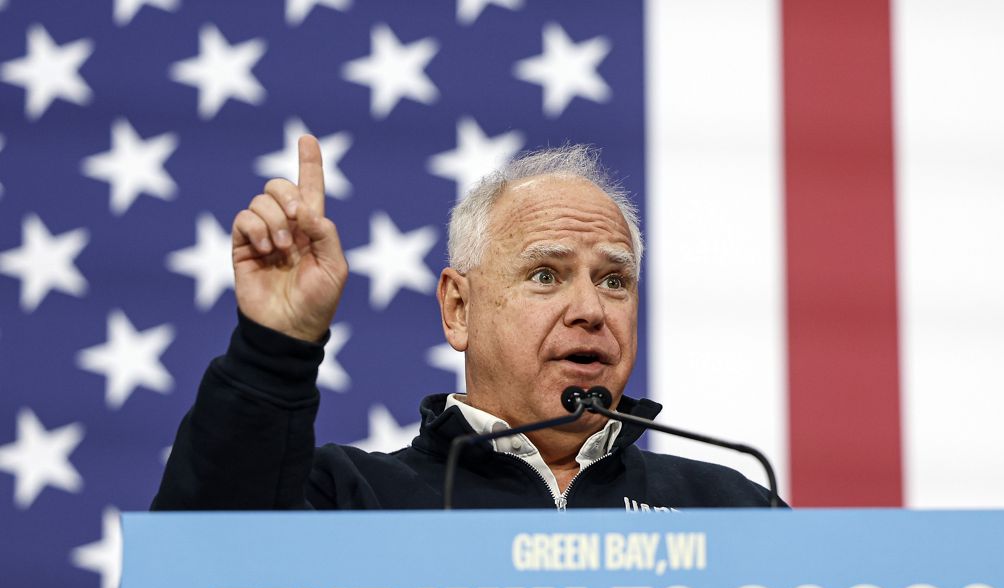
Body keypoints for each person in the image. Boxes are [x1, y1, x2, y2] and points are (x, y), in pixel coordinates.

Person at [152, 136, 780, 511]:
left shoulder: (728, 511)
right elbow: (203, 576)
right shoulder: (357, 498)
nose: (591, 309)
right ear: (459, 308)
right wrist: (273, 351)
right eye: (545, 275)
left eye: (614, 280)